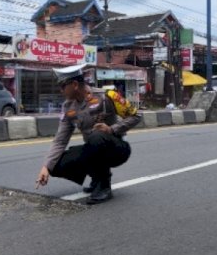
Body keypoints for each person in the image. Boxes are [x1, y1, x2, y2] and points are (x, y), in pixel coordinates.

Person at [35, 64, 141, 204]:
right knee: (54, 164)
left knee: (96, 136)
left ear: (74, 84)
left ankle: (104, 186)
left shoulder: (106, 97)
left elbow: (136, 116)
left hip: (116, 149)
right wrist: (46, 167)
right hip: (93, 148)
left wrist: (112, 129)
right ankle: (96, 177)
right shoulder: (68, 107)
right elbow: (60, 140)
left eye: (62, 86)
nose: (61, 90)